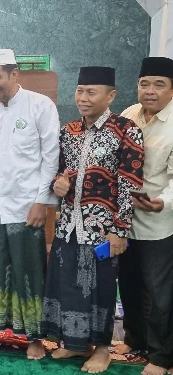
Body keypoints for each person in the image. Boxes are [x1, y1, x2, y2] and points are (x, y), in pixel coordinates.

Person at [41, 66, 144, 374]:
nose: (83, 98)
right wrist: (58, 184)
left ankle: (102, 349)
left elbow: (130, 184)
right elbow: (57, 173)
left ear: (110, 95)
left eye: (91, 92)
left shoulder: (126, 130)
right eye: (79, 91)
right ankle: (75, 345)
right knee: (68, 284)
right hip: (69, 225)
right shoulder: (68, 131)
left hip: (103, 229)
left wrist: (120, 230)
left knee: (99, 288)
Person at [0, 48, 60, 360]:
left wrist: (41, 200)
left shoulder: (40, 106)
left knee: (27, 274)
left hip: (25, 207)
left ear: (14, 74)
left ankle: (34, 336)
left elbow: (50, 157)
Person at [115, 57, 173, 375]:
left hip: (159, 223)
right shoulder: (128, 115)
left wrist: (162, 202)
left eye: (159, 84)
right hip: (127, 222)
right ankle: (135, 340)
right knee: (131, 285)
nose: (149, 91)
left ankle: (163, 355)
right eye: (144, 84)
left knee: (161, 292)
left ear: (172, 90)